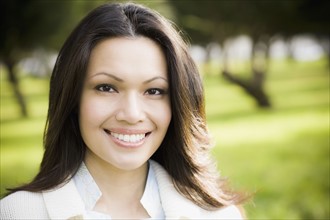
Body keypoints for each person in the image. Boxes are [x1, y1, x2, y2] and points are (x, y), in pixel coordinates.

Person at [1, 2, 246, 219]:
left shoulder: (218, 216)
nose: (131, 114)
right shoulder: (18, 213)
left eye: (154, 91)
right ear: (73, 98)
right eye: (106, 88)